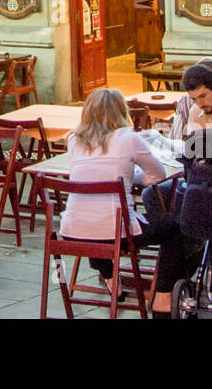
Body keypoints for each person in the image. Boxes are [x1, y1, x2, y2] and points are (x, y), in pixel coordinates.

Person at [61, 88, 187, 316]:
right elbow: (157, 175)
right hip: (115, 232)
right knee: (176, 228)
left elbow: (91, 173)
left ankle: (111, 279)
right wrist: (131, 175)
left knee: (96, 217)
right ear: (121, 111)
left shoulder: (73, 139)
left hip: (72, 229)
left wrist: (124, 175)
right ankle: (163, 294)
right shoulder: (129, 138)